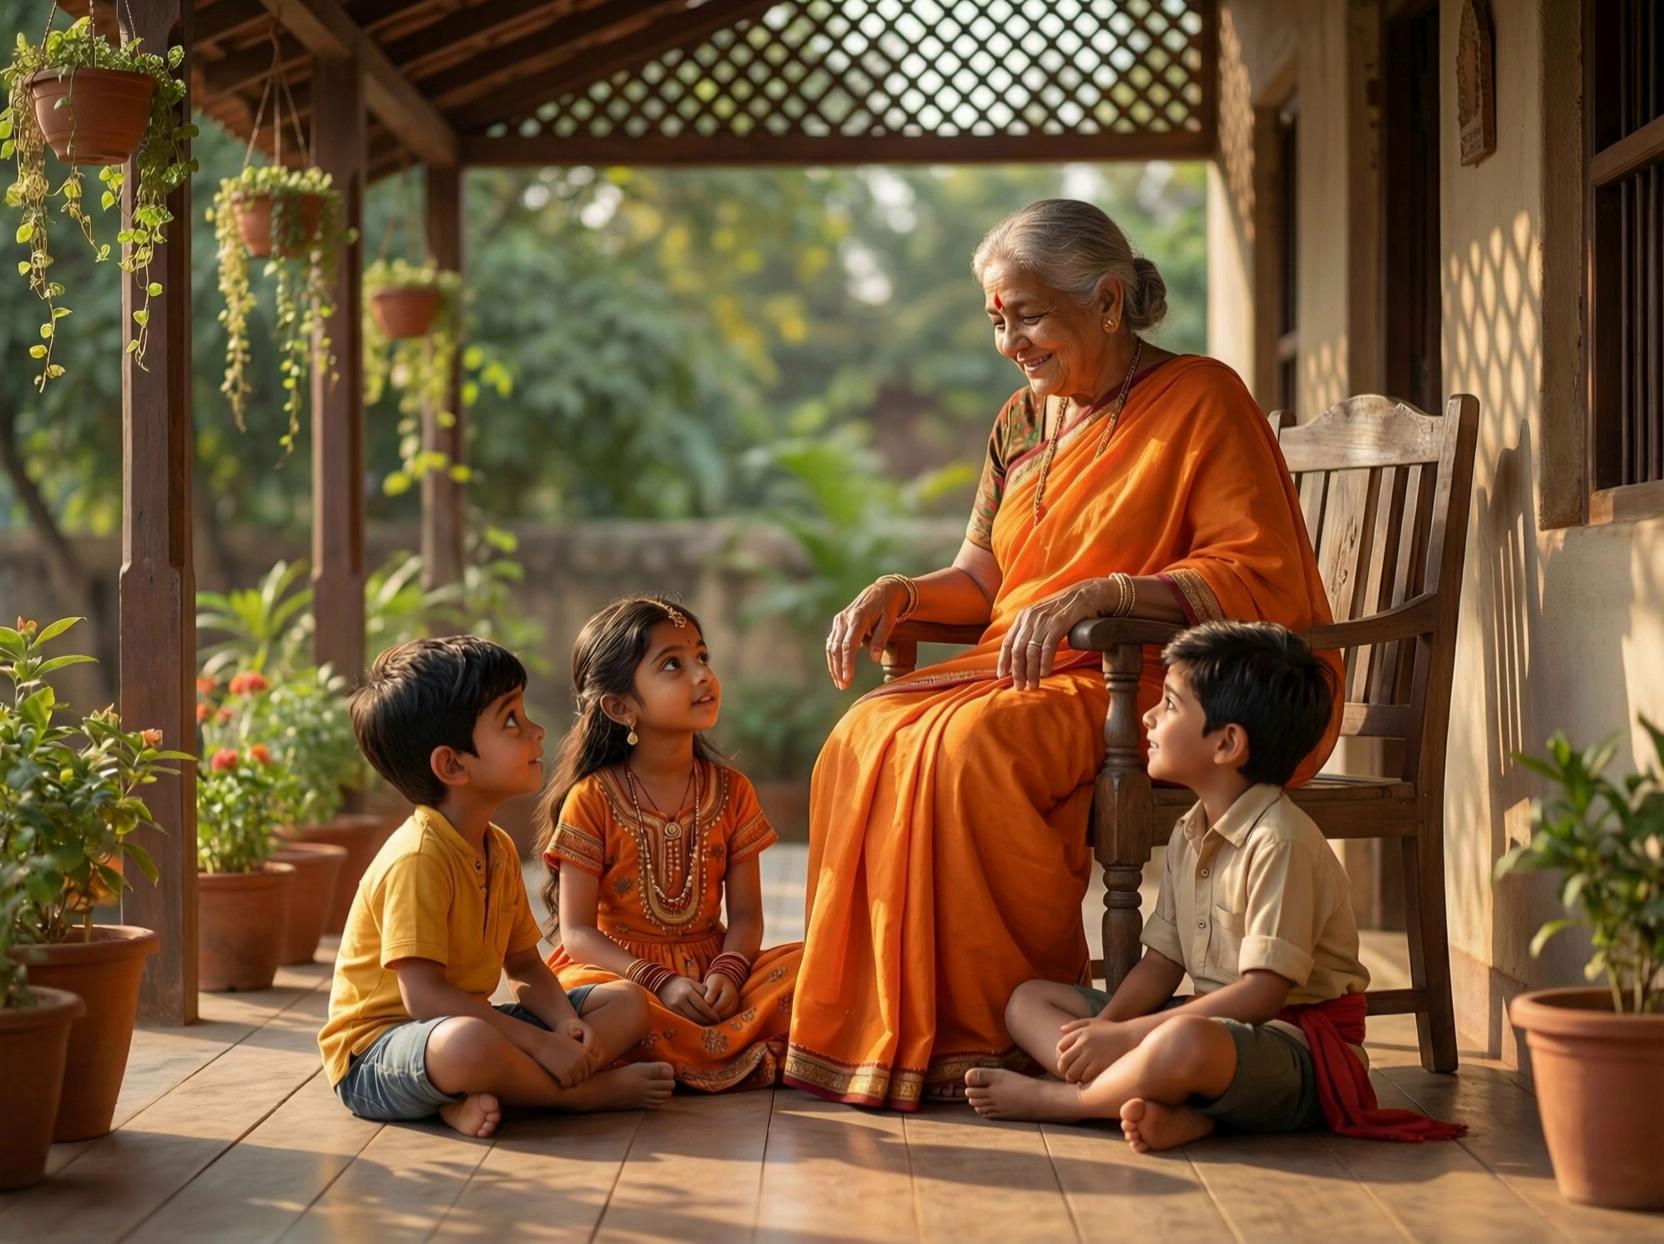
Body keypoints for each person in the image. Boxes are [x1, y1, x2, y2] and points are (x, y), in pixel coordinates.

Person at [786, 199, 1344, 1110]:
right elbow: (984, 577)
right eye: (996, 320)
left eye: (1031, 317)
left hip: (1145, 682)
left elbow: (1253, 571)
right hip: (1021, 663)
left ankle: (984, 1030)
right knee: (862, 734)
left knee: (972, 750)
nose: (1010, 343)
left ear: (1109, 302)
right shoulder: (1021, 420)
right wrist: (902, 594)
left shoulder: (1202, 398)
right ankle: (897, 1018)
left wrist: (1109, 593)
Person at [967, 622, 1464, 1149]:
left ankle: (1071, 1101)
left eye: (1170, 705)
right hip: (1214, 1033)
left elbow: (1262, 995)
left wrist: (1126, 1037)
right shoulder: (1190, 830)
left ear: (1226, 743)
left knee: (1184, 1040)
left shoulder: (1281, 842)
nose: (1148, 716)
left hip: (1298, 1051)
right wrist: (1104, 1033)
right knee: (1029, 1000)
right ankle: (1175, 1107)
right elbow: (1162, 962)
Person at [318, 636, 673, 1138]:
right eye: (511, 721)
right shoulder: (418, 858)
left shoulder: (498, 847)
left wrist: (562, 1023)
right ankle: (579, 1097)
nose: (536, 731)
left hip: (468, 1023)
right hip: (379, 1055)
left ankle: (467, 1099)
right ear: (452, 765)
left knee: (627, 1003)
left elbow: (524, 966)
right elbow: (424, 999)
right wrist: (539, 1044)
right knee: (468, 1045)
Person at [534, 597, 802, 1092]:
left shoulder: (733, 790)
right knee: (596, 1001)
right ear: (620, 707)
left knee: (813, 964)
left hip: (715, 979)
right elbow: (577, 933)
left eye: (702, 656)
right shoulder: (592, 798)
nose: (702, 675)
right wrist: (659, 981)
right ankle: (696, 1057)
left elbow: (746, 916)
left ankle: (658, 1058)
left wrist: (728, 972)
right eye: (673, 665)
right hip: (625, 979)